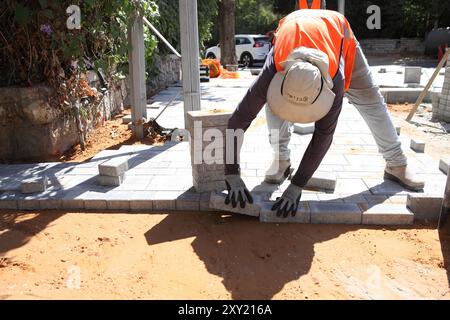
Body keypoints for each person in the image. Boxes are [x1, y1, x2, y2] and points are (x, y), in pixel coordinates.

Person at [223, 9, 425, 218]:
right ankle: (281, 161)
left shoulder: (334, 82)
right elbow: (237, 121)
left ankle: (397, 164)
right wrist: (232, 173)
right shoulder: (273, 70)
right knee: (273, 108)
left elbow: (323, 136)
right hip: (293, 31)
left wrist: (296, 186)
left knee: (371, 101)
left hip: (338, 36)